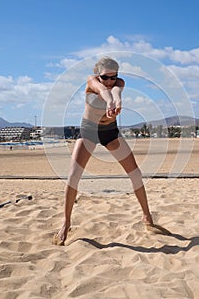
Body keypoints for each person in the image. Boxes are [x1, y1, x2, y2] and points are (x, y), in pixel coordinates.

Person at [53, 57, 154, 245]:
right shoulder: (92, 82)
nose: (109, 81)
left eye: (113, 77)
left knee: (136, 174)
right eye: (105, 77)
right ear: (97, 75)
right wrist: (109, 101)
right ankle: (66, 223)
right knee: (73, 176)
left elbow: (116, 92)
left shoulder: (118, 83)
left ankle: (147, 216)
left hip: (110, 133)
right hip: (89, 132)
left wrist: (116, 100)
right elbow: (103, 91)